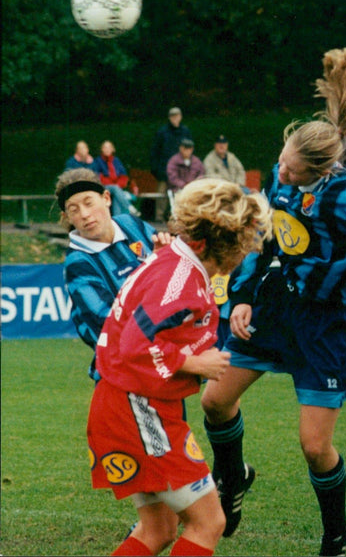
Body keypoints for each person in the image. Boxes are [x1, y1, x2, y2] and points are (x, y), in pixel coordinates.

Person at [200, 48, 346, 555]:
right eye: (281, 161)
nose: (280, 173)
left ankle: (336, 532)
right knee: (215, 400)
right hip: (276, 308)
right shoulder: (281, 179)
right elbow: (264, 235)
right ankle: (234, 478)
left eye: (290, 169)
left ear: (318, 168)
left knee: (314, 447)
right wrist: (241, 297)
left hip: (327, 324)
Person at [87, 178, 272, 557]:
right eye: (240, 242)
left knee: (158, 529)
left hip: (128, 403)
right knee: (209, 522)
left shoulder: (178, 263)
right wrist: (194, 363)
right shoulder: (180, 279)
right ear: (214, 243)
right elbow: (135, 346)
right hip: (138, 408)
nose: (245, 252)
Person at [56, 168, 170, 383]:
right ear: (68, 217)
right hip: (121, 372)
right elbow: (109, 321)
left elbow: (171, 283)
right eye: (74, 209)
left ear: (106, 198)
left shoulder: (131, 224)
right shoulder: (77, 263)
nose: (84, 214)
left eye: (88, 203)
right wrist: (153, 269)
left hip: (160, 359)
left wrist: (167, 260)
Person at [151, 107, 193, 221]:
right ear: (169, 118)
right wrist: (156, 169)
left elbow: (190, 150)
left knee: (180, 193)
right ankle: (159, 217)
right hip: (163, 168)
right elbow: (155, 151)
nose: (175, 118)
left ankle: (181, 217)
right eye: (173, 116)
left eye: (177, 116)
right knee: (162, 194)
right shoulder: (162, 132)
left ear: (180, 117)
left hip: (181, 169)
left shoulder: (185, 131)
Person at [92, 140, 139, 217]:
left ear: (113, 149)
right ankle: (129, 206)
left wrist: (118, 184)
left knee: (117, 196)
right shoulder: (97, 161)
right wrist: (113, 184)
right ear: (101, 149)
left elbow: (123, 175)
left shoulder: (116, 160)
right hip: (104, 187)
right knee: (115, 189)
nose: (107, 149)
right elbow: (98, 177)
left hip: (116, 187)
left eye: (109, 147)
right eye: (104, 147)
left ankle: (117, 219)